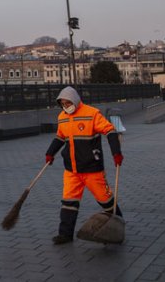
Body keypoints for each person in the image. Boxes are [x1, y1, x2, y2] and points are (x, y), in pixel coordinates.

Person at [45, 86, 124, 245]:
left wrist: (116, 152)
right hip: (71, 170)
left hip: (92, 168)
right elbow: (60, 137)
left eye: (68, 103)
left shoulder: (92, 114)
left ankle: (118, 225)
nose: (66, 106)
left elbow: (110, 131)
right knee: (68, 202)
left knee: (105, 199)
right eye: (63, 104)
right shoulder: (62, 117)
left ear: (75, 100)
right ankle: (65, 234)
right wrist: (50, 153)